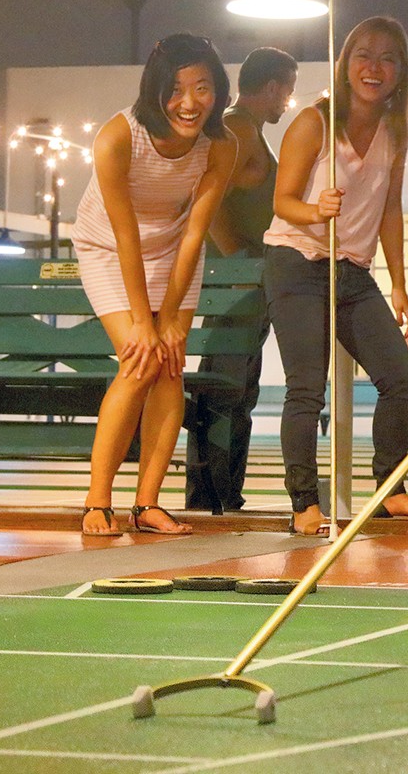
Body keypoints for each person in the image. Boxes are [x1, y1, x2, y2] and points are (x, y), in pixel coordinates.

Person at [263, 15, 408, 536]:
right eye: (364, 55)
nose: (375, 67)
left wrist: (401, 283)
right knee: (306, 388)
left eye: (389, 58)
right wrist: (316, 209)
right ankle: (304, 502)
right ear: (345, 65)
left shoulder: (396, 130)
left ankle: (391, 490)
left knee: (400, 377)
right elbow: (282, 203)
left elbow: (391, 208)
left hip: (352, 270)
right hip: (296, 261)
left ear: (400, 73)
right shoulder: (313, 122)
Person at [72, 33, 237, 536]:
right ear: (155, 89)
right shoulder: (117, 137)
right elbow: (124, 236)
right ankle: (97, 502)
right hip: (108, 247)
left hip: (173, 250)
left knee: (169, 365)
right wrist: (145, 322)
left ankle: (147, 505)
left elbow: (193, 234)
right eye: (176, 89)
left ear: (218, 90)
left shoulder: (221, 145)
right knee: (140, 359)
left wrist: (169, 321)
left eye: (203, 88)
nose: (189, 103)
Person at [185, 46, 298, 512]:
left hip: (248, 285)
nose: (287, 102)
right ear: (271, 86)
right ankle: (211, 497)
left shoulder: (247, 130)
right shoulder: (238, 129)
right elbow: (205, 199)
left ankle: (225, 494)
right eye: (286, 91)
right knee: (225, 392)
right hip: (234, 288)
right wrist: (234, 264)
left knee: (239, 392)